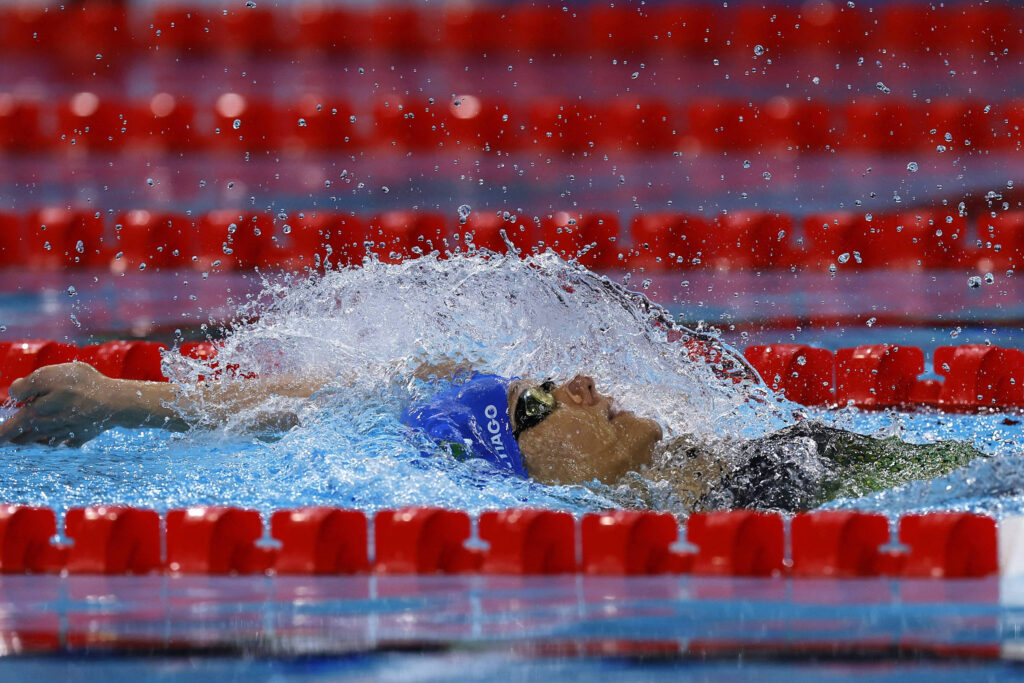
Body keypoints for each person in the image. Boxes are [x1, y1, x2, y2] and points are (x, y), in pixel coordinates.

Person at [0, 360, 984, 512]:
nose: (587, 383)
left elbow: (355, 395)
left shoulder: (790, 453)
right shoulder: (750, 498)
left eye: (546, 382)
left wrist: (129, 391)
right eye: (536, 404)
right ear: (518, 475)